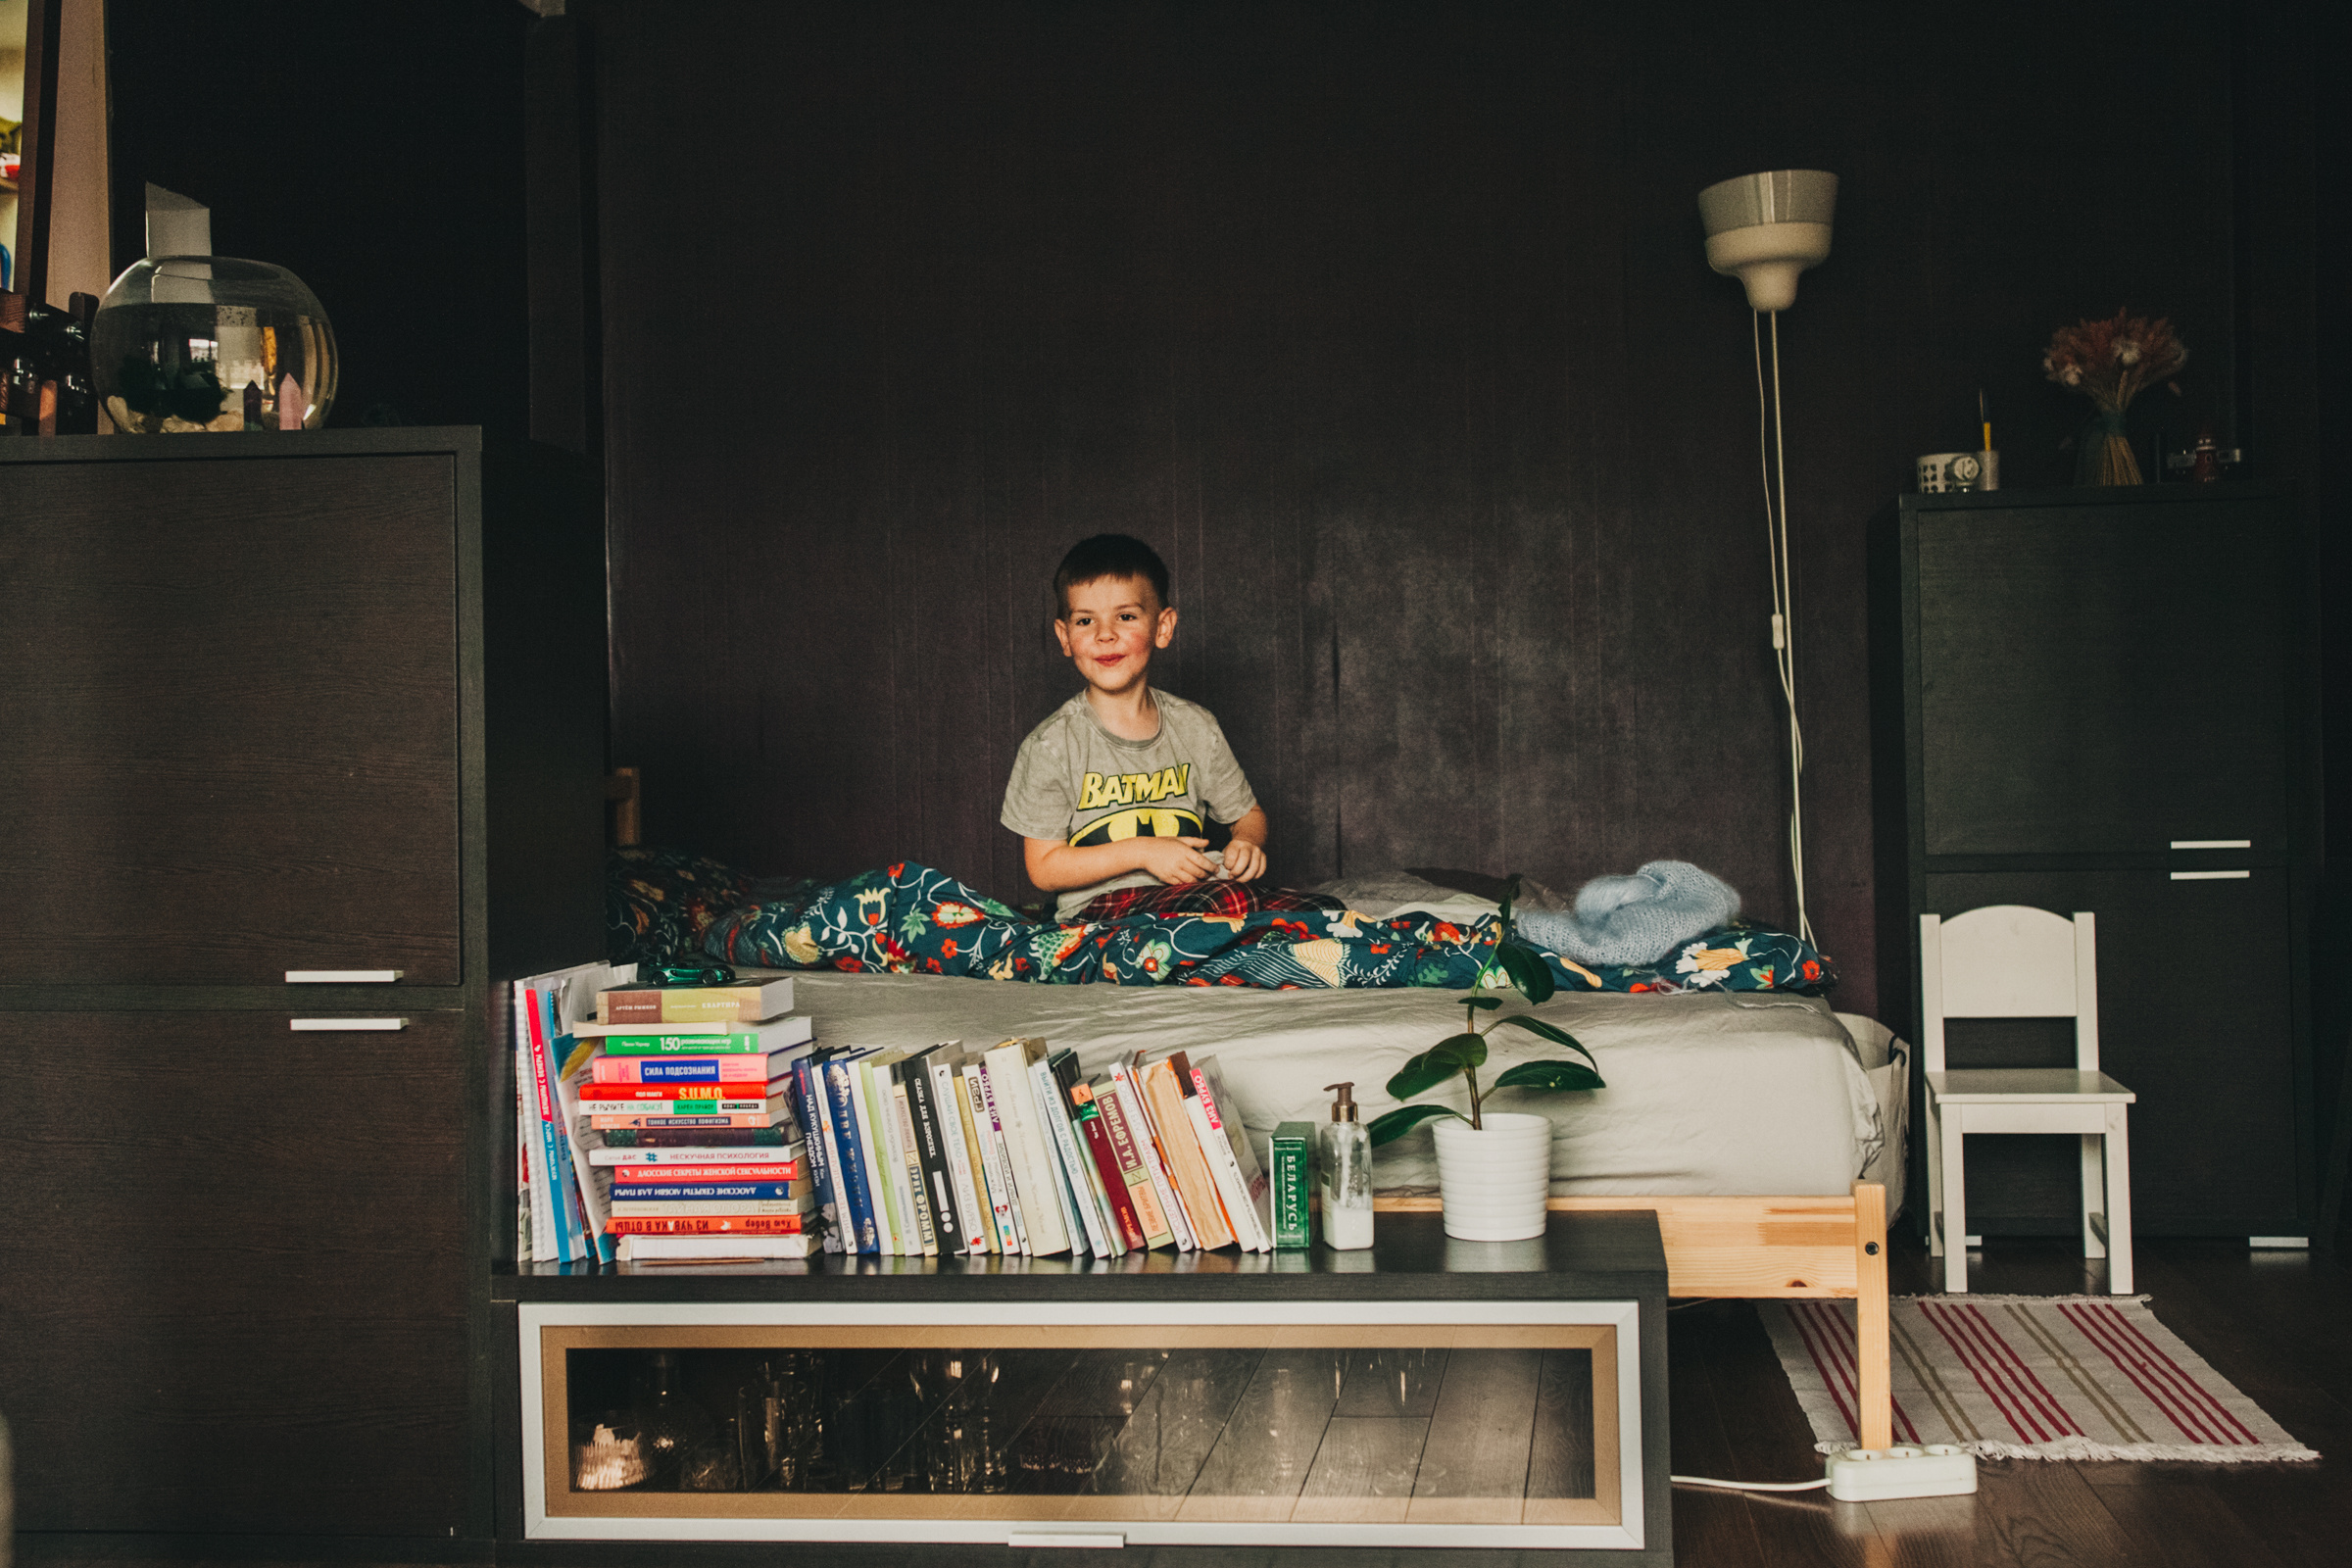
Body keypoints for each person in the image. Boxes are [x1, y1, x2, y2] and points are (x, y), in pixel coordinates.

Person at [1002, 534, 1316, 924]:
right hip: (1103, 913)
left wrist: (1246, 843)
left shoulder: (1195, 726)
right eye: (1085, 621)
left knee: (1317, 913)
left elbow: (1248, 814)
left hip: (1200, 894)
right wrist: (1144, 852)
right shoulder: (1050, 746)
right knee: (1219, 914)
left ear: (1163, 627)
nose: (1105, 634)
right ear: (1065, 637)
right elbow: (1045, 868)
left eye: (1126, 616)